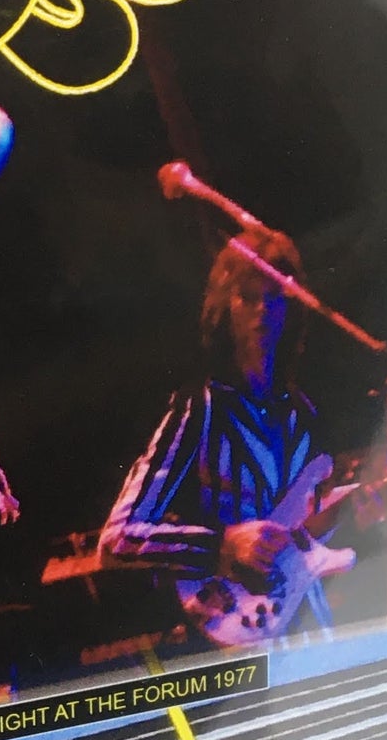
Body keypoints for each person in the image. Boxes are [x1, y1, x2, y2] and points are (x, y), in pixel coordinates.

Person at [100, 224, 330, 636]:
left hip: (305, 624)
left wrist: (358, 513)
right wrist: (221, 545)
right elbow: (117, 539)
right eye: (248, 297)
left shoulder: (302, 413)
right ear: (226, 308)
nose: (263, 309)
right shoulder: (200, 407)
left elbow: (303, 537)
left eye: (274, 296)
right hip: (224, 626)